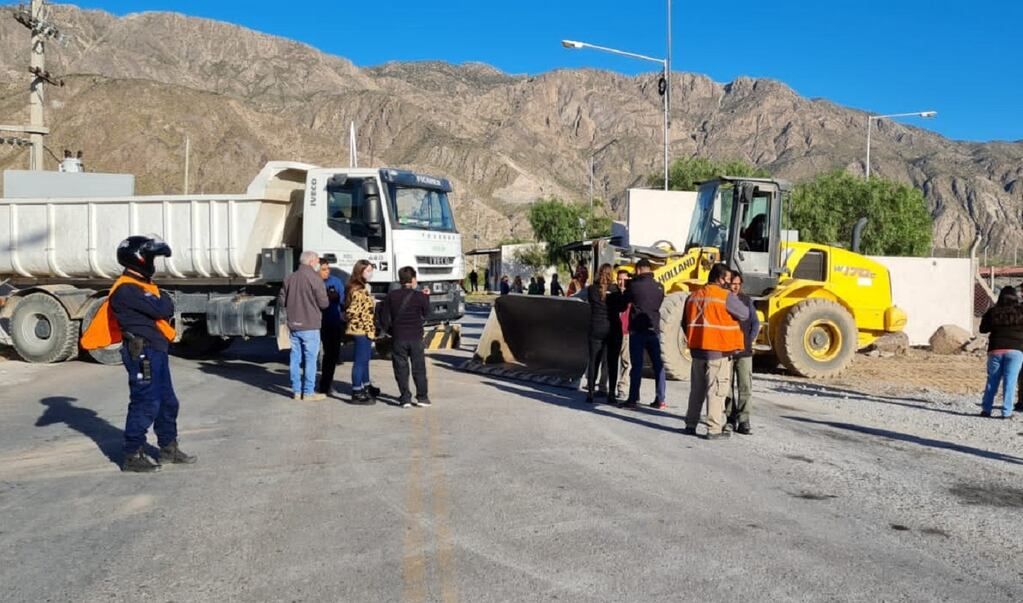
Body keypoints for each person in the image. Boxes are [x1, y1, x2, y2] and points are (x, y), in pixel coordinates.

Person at [81, 235, 196, 472]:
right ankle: (132, 454)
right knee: (146, 402)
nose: (153, 263)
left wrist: (160, 299)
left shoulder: (142, 286)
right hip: (143, 352)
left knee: (167, 402)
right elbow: (163, 308)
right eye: (151, 258)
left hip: (156, 350)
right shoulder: (127, 289)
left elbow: (163, 306)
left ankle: (168, 449)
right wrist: (161, 299)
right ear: (138, 260)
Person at [682, 263, 749, 440]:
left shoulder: (693, 296)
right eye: (728, 279)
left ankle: (690, 424)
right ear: (721, 279)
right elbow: (745, 314)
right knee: (716, 390)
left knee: (697, 390)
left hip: (697, 350)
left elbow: (684, 322)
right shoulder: (725, 296)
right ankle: (714, 428)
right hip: (718, 351)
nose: (730, 283)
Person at [279, 250, 329, 401]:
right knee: (310, 359)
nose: (318, 264)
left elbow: (282, 300)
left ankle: (296, 391)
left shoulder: (290, 277)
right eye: (317, 261)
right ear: (312, 261)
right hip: (310, 324)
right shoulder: (315, 278)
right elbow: (324, 303)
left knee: (295, 358)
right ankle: (308, 392)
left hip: (294, 324)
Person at [382, 266, 432, 408]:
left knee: (401, 368)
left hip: (399, 337)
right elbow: (427, 313)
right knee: (419, 368)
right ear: (413, 279)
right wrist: (426, 297)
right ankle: (422, 397)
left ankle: (405, 398)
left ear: (400, 280)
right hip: (416, 337)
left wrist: (391, 331)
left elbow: (385, 318)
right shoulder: (420, 296)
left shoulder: (392, 296)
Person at [622, 259, 666, 409]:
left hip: (637, 330)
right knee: (658, 365)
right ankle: (660, 399)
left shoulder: (634, 285)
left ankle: (633, 399)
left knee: (637, 365)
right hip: (654, 329)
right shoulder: (660, 287)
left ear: (639, 269)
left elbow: (624, 301)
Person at [723, 271, 760, 434]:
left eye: (738, 284)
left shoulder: (746, 301)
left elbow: (755, 323)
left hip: (744, 352)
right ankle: (729, 418)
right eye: (733, 283)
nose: (736, 287)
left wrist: (749, 341)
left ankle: (744, 420)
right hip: (727, 351)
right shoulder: (723, 300)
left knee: (745, 386)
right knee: (727, 387)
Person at [978, 286, 1023, 419]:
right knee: (1010, 381)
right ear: (1015, 297)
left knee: (992, 380)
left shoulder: (993, 311)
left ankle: (986, 410)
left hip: (995, 349)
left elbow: (982, 329)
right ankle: (1006, 412)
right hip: (1016, 350)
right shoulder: (1021, 311)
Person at [346, 259, 378, 405]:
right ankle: (356, 392)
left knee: (365, 360)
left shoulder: (362, 288)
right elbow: (353, 311)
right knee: (360, 361)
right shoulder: (358, 290)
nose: (371, 273)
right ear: (360, 272)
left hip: (365, 329)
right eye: (368, 271)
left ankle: (366, 386)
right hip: (361, 330)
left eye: (371, 270)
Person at [585, 264, 617, 403]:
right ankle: (611, 394)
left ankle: (590, 392)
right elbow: (620, 307)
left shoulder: (591, 289)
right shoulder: (615, 290)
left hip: (596, 326)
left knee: (593, 361)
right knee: (610, 362)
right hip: (611, 328)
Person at [317, 259, 346, 396]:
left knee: (331, 355)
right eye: (323, 269)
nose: (327, 271)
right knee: (311, 356)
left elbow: (343, 300)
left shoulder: (336, 281)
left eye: (328, 268)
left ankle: (326, 384)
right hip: (316, 323)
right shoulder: (313, 282)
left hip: (333, 322)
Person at [608, 269, 631, 402]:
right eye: (619, 279)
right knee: (610, 361)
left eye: (624, 280)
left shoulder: (631, 294)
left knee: (626, 362)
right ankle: (604, 387)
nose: (621, 282)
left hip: (627, 332)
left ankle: (622, 388)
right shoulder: (613, 293)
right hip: (614, 331)